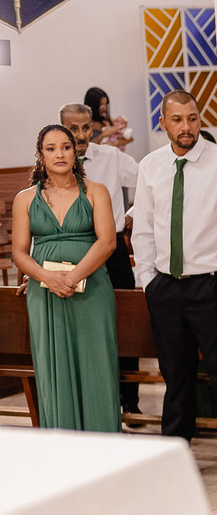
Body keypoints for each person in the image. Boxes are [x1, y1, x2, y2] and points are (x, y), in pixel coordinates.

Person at [132, 89, 217, 493]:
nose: (186, 127)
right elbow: (144, 229)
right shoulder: (150, 166)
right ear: (163, 123)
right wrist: (149, 282)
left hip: (212, 286)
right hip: (166, 288)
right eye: (177, 119)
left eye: (192, 117)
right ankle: (176, 457)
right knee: (176, 377)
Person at [10, 125, 120, 432]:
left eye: (66, 147)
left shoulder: (96, 191)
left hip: (91, 289)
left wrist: (71, 277)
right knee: (53, 368)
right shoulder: (25, 199)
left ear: (76, 152)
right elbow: (19, 253)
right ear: (40, 155)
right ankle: (63, 450)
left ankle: (104, 451)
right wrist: (48, 277)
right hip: (45, 293)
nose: (59, 153)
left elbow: (107, 242)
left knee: (97, 366)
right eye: (51, 148)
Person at [59, 102, 142, 413]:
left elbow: (149, 183)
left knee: (126, 320)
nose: (81, 134)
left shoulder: (111, 157)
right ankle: (92, 399)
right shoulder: (55, 162)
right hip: (75, 249)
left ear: (93, 126)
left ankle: (129, 400)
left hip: (114, 251)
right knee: (87, 324)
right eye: (74, 128)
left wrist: (132, 214)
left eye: (86, 127)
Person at [84, 86, 133, 151]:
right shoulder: (85, 123)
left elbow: (130, 139)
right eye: (101, 104)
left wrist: (116, 142)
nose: (104, 107)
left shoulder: (106, 119)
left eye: (106, 104)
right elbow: (86, 147)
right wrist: (104, 135)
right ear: (93, 105)